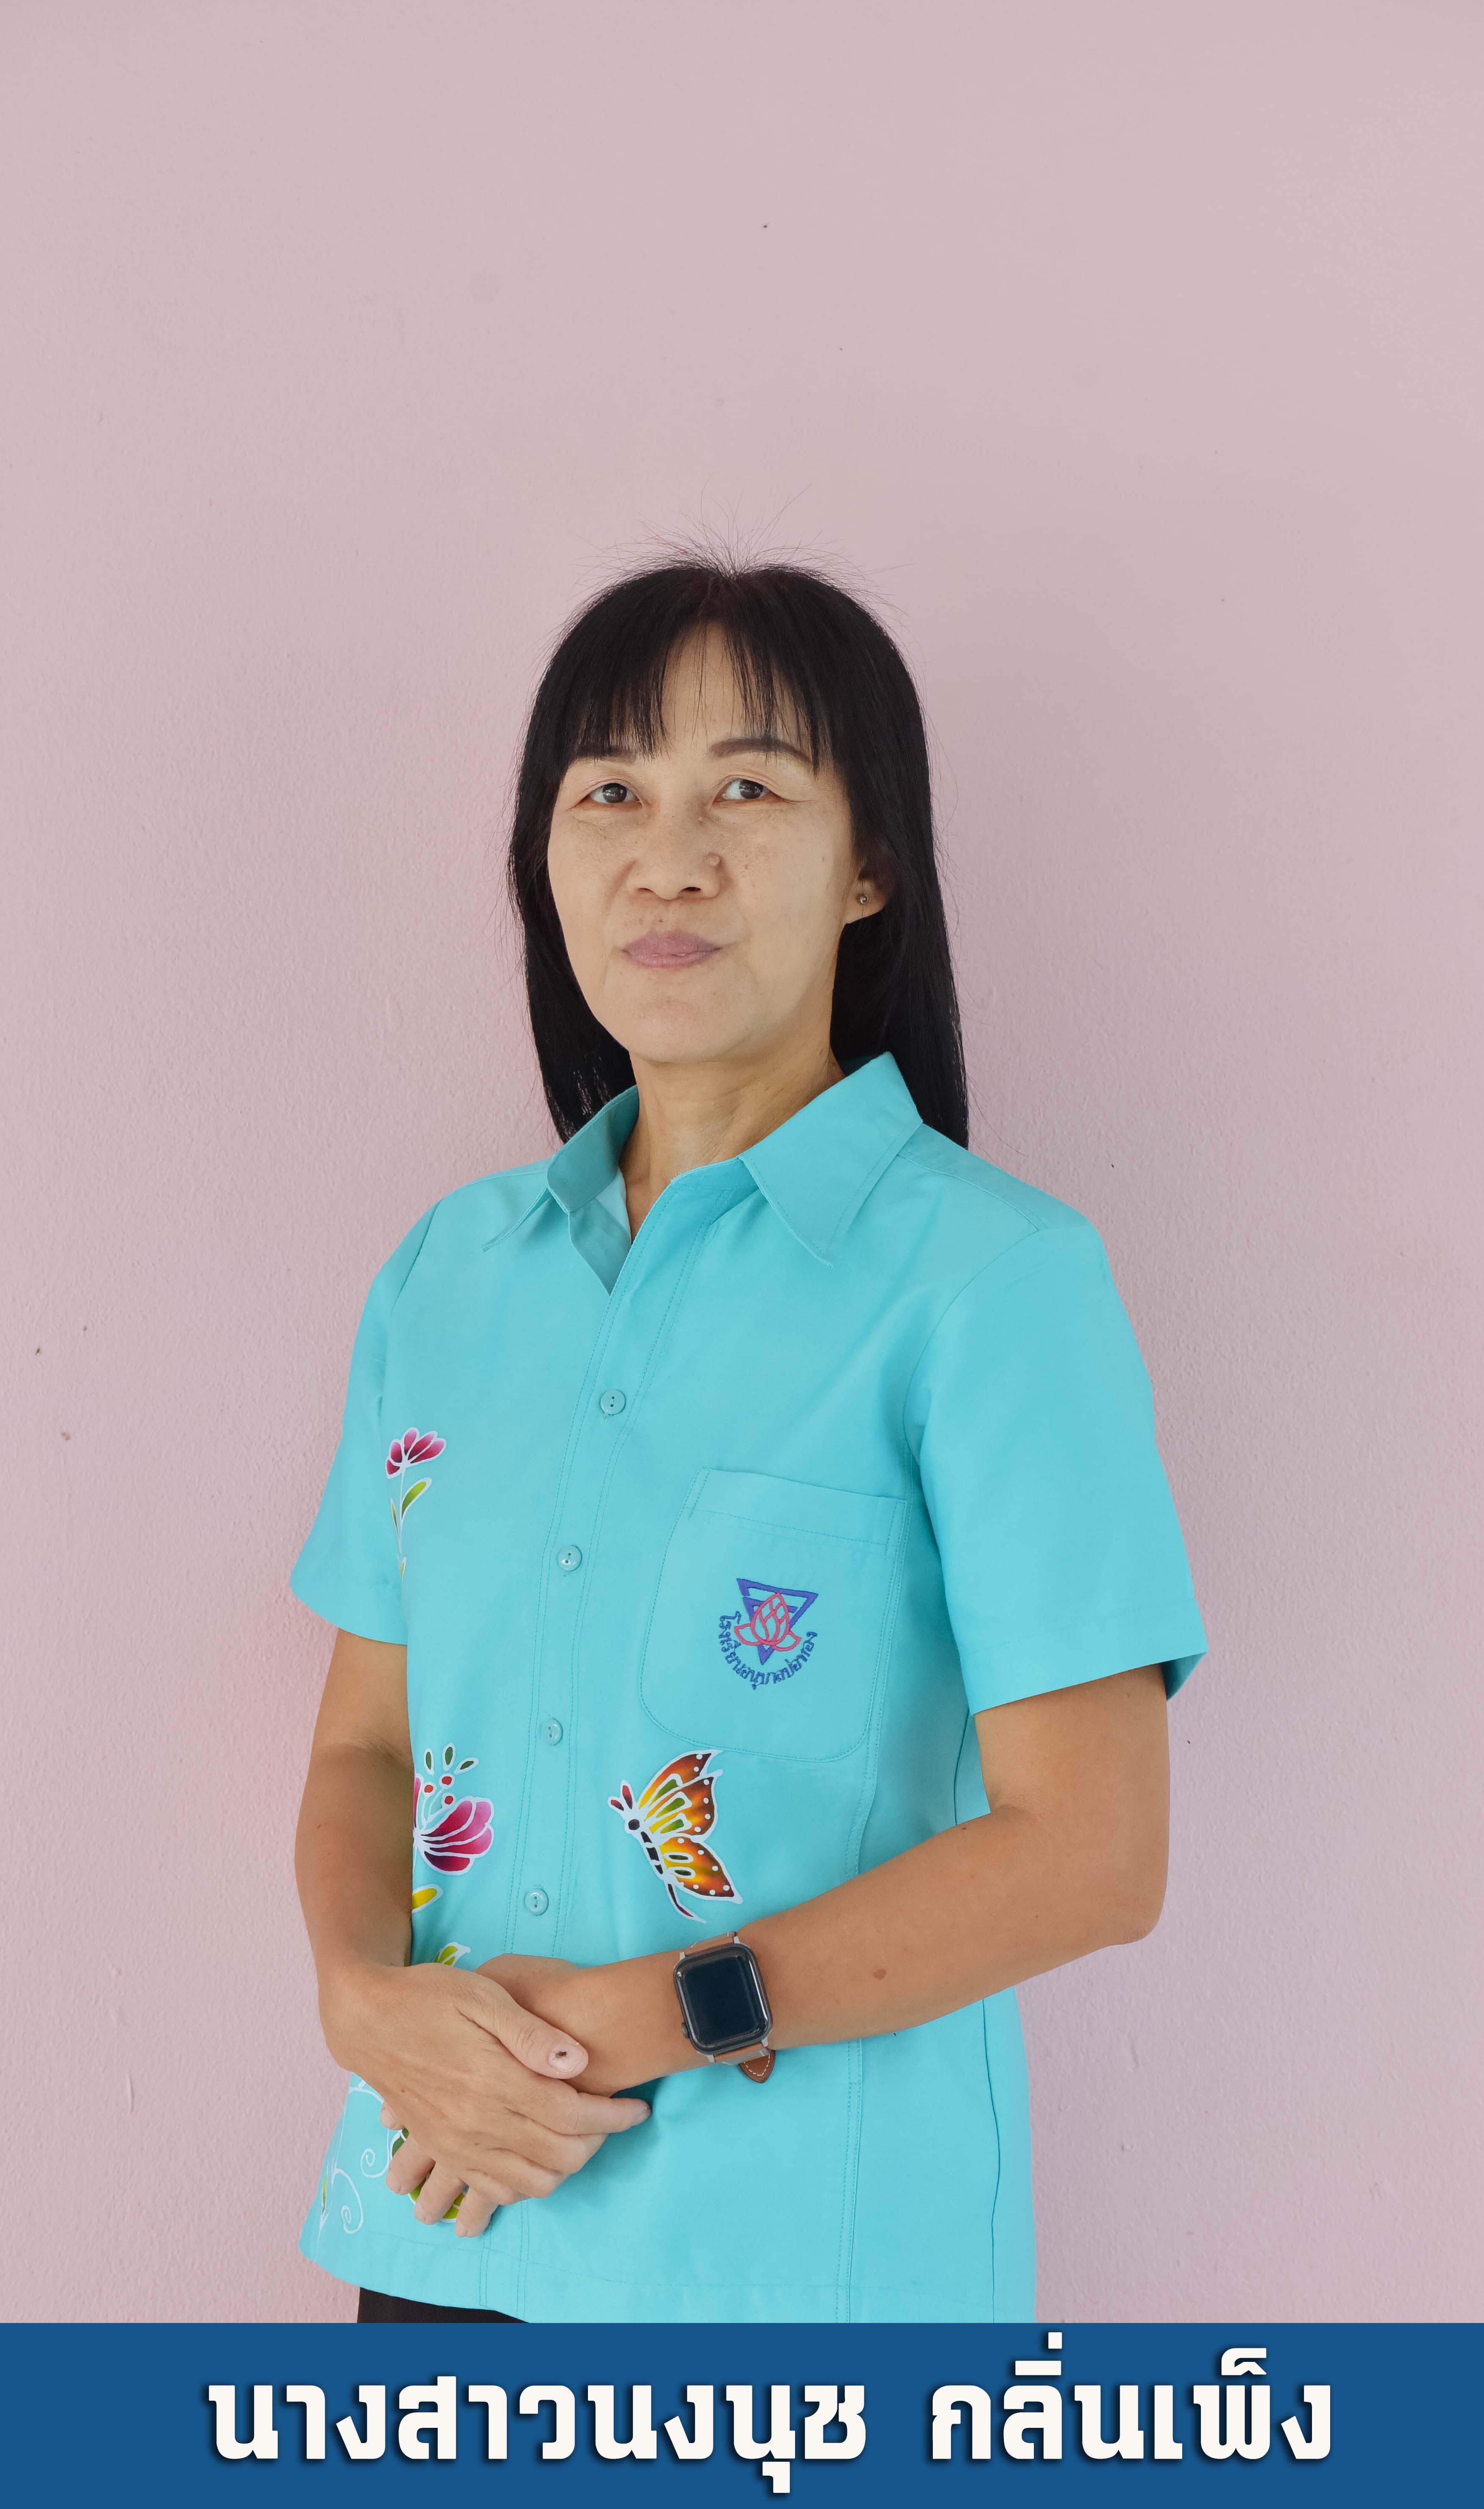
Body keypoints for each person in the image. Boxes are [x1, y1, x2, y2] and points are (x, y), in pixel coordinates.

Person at [290, 553, 1208, 2324]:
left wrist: (639, 2019)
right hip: (442, 2227)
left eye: (749, 789)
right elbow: (366, 1746)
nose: (671, 856)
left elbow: (1093, 1851)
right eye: (609, 792)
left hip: (802, 2279)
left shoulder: (991, 1284)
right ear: (544, 860)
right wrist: (360, 2001)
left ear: (870, 865)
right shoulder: (448, 1279)